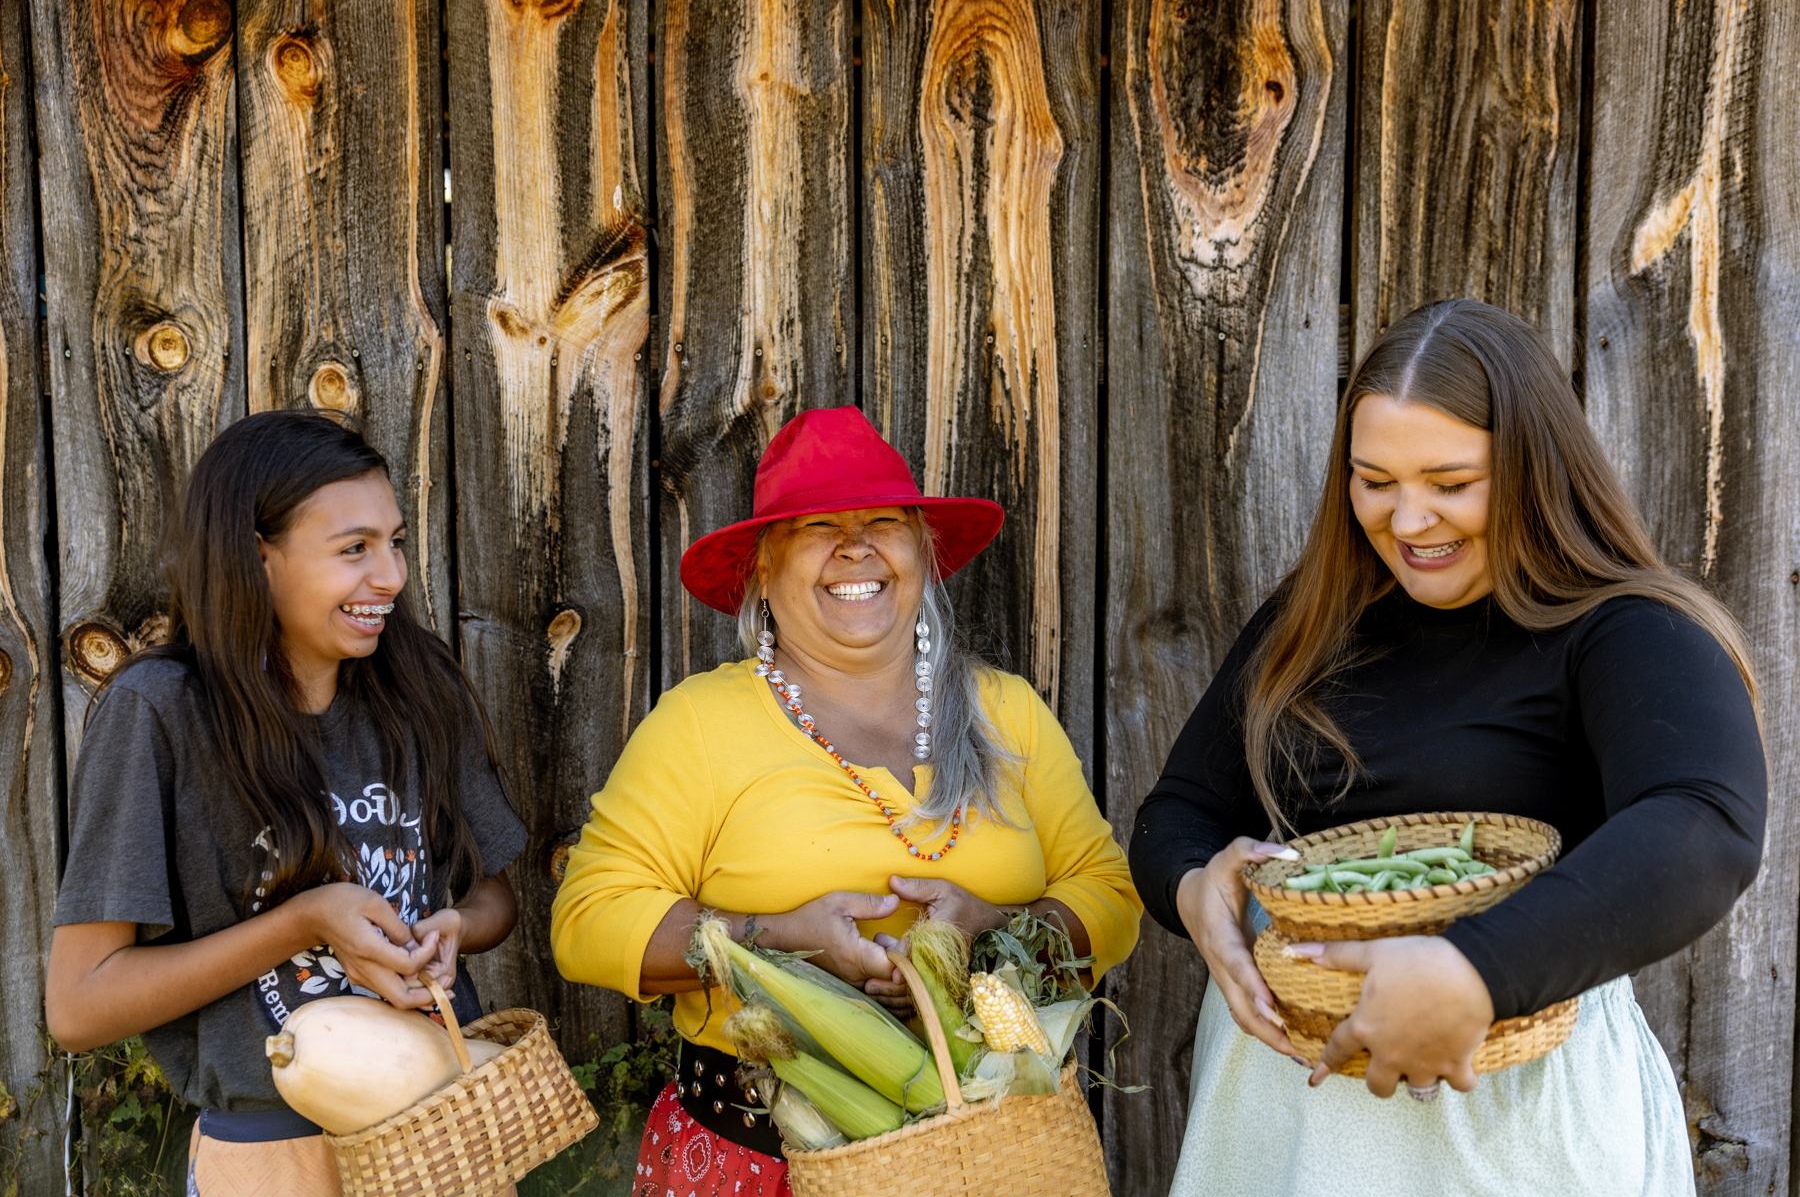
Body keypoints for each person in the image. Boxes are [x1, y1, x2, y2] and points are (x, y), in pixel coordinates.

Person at [1131, 300, 1764, 1196]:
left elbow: (1705, 825)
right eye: (1374, 480)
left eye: (1451, 481)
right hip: (1280, 1107)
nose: (1409, 520)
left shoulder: (1626, 632)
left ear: (1533, 469)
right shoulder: (1312, 624)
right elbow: (1181, 813)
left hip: (1510, 1117)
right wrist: (1195, 889)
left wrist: (1473, 971)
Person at [552, 405, 1141, 1196]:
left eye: (885, 522)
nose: (856, 547)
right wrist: (773, 942)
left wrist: (993, 934)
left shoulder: (1007, 713)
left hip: (997, 1161)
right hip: (763, 1166)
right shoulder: (700, 724)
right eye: (818, 525)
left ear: (922, 554)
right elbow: (588, 921)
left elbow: (1108, 895)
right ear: (764, 567)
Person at [46, 411, 526, 1197]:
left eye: (395, 541)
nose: (392, 576)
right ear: (257, 557)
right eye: (354, 550)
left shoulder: (420, 688)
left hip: (444, 1138)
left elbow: (492, 896)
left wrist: (458, 928)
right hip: (274, 1159)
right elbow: (79, 1004)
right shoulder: (161, 714)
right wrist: (301, 924)